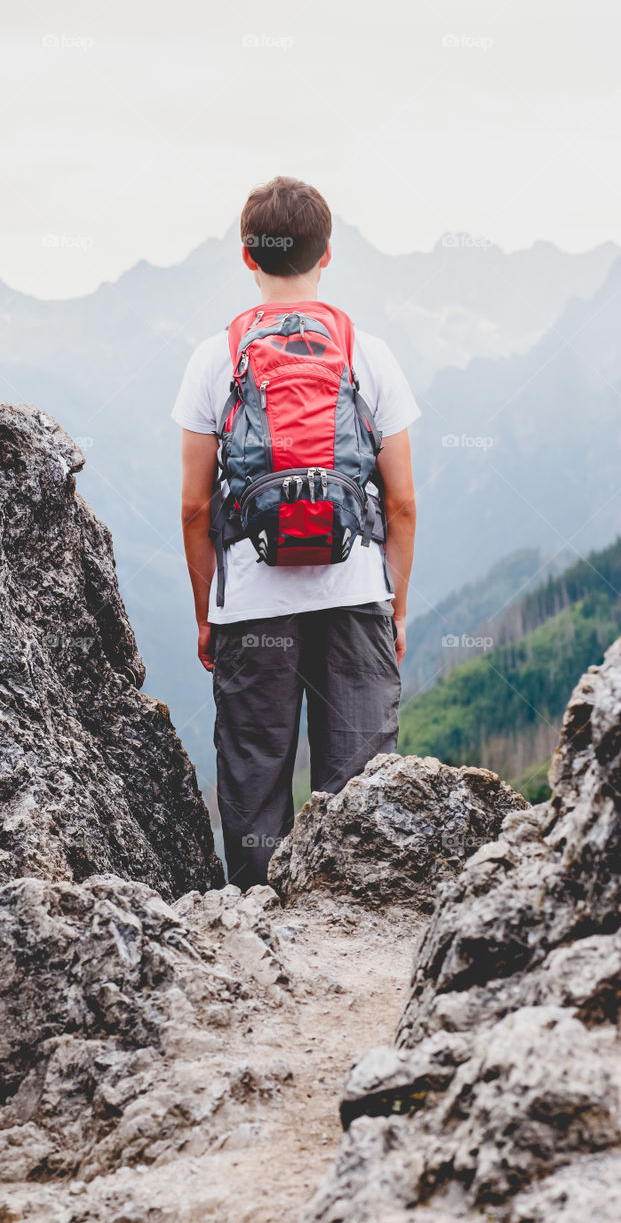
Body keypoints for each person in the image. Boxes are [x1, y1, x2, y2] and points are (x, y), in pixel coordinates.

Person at [171, 176, 419, 889]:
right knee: (360, 792)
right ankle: (351, 940)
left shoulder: (213, 359)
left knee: (253, 787)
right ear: (327, 254)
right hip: (353, 595)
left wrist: (205, 613)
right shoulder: (367, 354)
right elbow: (400, 504)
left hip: (251, 605)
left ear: (247, 256)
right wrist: (393, 605)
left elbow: (193, 508)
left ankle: (256, 941)